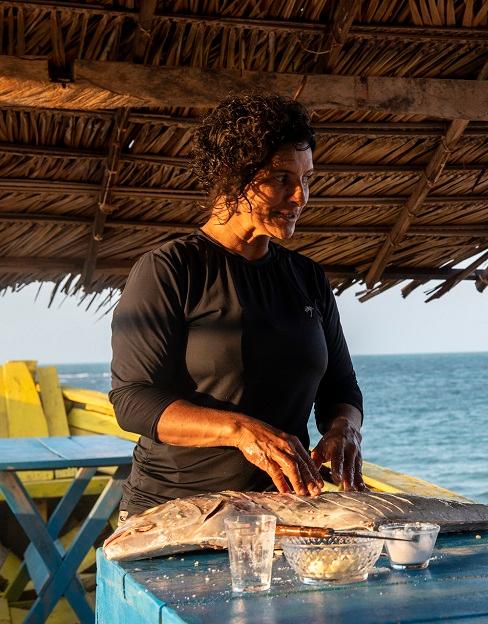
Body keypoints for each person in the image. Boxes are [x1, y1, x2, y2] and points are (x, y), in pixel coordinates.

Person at [110, 92, 366, 517]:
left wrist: (344, 428)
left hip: (280, 510)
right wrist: (241, 431)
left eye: (306, 179)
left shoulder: (307, 277)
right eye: (281, 178)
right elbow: (133, 400)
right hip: (175, 510)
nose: (300, 196)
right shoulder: (170, 269)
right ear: (232, 177)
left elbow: (341, 388)